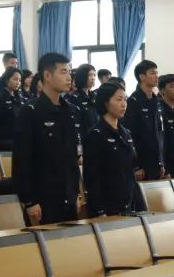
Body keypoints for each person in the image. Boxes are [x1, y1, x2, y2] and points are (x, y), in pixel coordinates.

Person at [14, 53, 84, 225]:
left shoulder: (70, 110)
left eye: (69, 72)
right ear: (47, 75)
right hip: (43, 197)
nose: (69, 78)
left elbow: (72, 158)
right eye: (63, 72)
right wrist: (29, 201)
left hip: (68, 195)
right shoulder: (30, 111)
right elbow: (22, 159)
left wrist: (76, 193)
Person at [83, 81, 138, 217]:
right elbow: (92, 176)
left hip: (127, 203)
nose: (124, 104)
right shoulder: (96, 134)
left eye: (125, 99)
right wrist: (99, 210)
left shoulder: (126, 133)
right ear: (106, 102)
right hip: (107, 207)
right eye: (118, 100)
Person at [124, 59, 165, 180]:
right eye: (152, 73)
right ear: (142, 76)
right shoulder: (133, 101)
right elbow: (130, 135)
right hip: (141, 164)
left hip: (156, 162)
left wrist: (161, 162)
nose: (156, 76)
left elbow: (160, 133)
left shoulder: (157, 100)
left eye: (157, 73)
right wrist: (136, 165)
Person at [0, 67, 25, 151]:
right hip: (4, 140)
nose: (18, 82)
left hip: (18, 138)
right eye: (15, 79)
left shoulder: (18, 96)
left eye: (19, 80)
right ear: (7, 80)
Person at [67, 63, 99, 134]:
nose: (93, 78)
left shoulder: (94, 96)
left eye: (94, 75)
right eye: (89, 75)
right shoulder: (74, 98)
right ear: (82, 76)